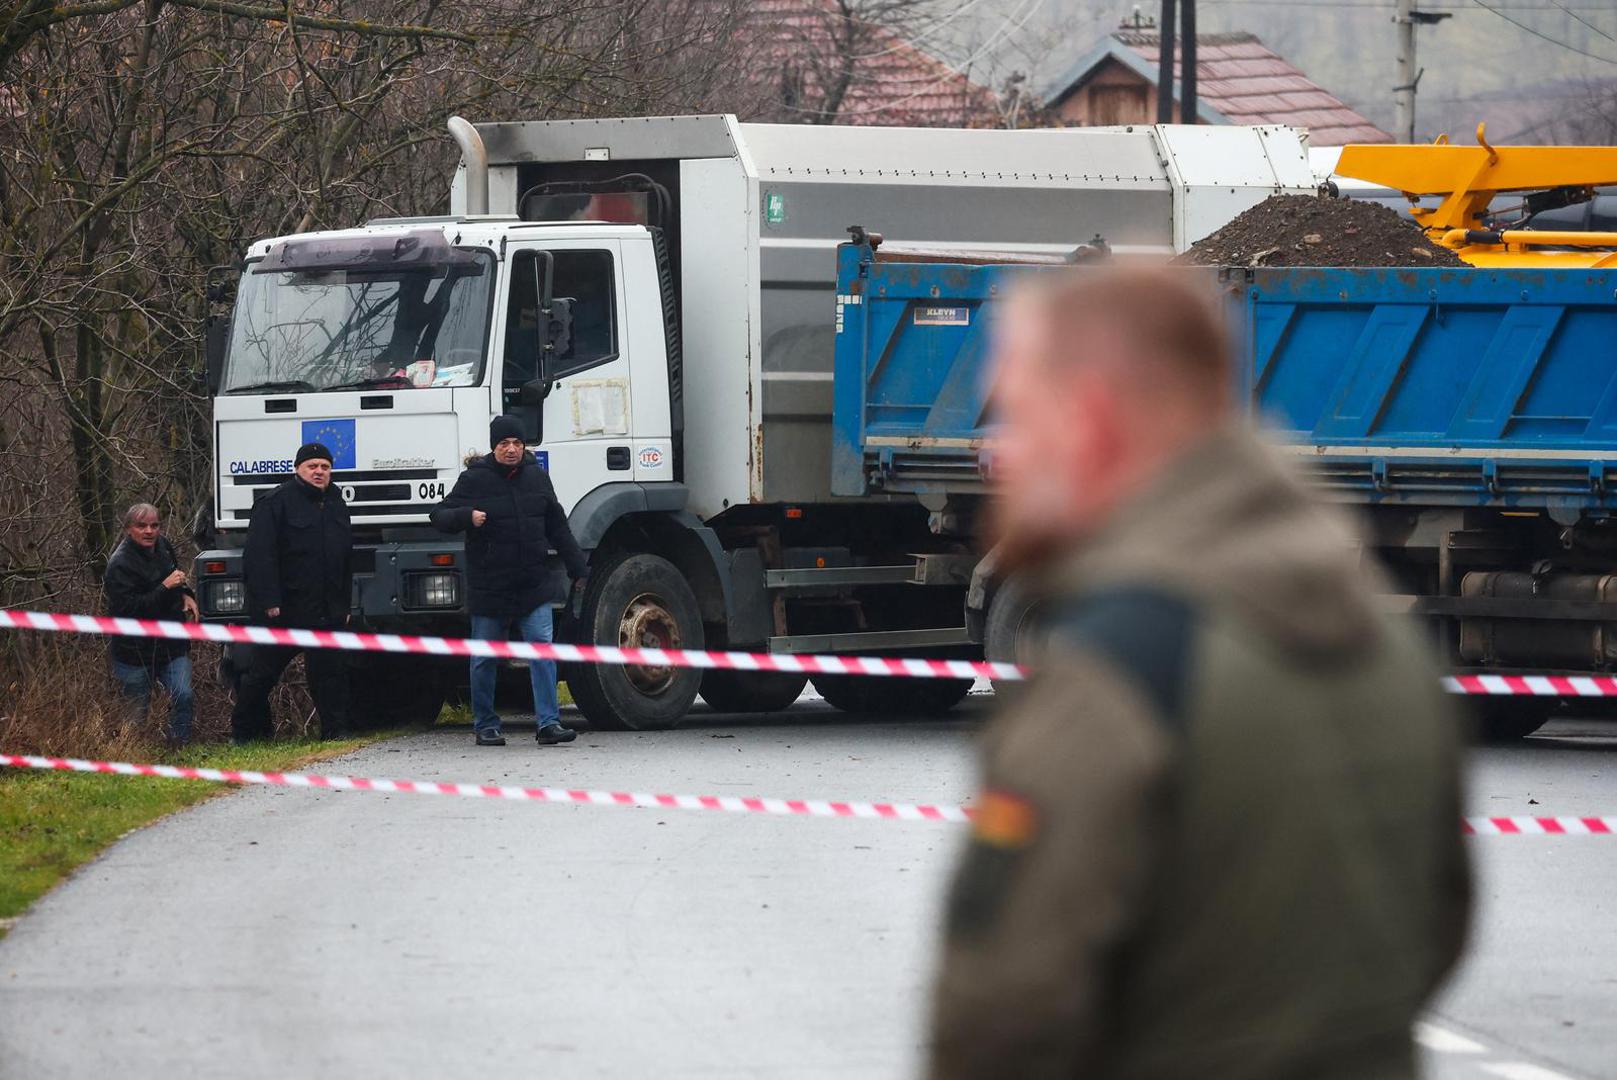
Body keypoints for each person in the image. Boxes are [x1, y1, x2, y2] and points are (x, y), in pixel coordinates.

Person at [929, 267, 1471, 1079]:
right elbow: (1436, 928)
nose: (998, 450)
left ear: (1090, 420)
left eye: (1016, 412)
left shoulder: (1113, 674)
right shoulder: (1385, 650)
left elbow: (1004, 1012)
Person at [432, 416, 588, 746]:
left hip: (533, 584)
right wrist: (467, 517)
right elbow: (439, 516)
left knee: (542, 653)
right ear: (494, 447)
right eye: (504, 444)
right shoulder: (474, 479)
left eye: (517, 443)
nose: (512, 449)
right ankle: (486, 724)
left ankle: (548, 723)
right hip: (490, 586)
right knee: (485, 658)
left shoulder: (537, 477)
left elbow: (557, 527)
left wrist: (579, 568)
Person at [231, 442, 353, 742]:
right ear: (298, 469)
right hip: (285, 610)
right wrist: (269, 601)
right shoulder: (275, 502)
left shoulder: (337, 501)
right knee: (261, 676)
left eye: (325, 467)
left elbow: (344, 557)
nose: (319, 472)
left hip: (326, 610)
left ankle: (335, 733)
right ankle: (246, 735)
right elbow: (259, 557)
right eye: (313, 466)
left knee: (329, 676)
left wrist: (345, 604)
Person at [103, 503, 198, 746]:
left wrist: (186, 594)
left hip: (172, 644)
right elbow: (130, 611)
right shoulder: (119, 565)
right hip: (134, 651)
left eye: (154, 525)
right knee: (137, 712)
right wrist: (164, 587)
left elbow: (176, 576)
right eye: (141, 526)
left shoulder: (164, 546)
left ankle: (180, 748)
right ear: (128, 529)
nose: (149, 531)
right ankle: (135, 756)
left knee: (184, 696)